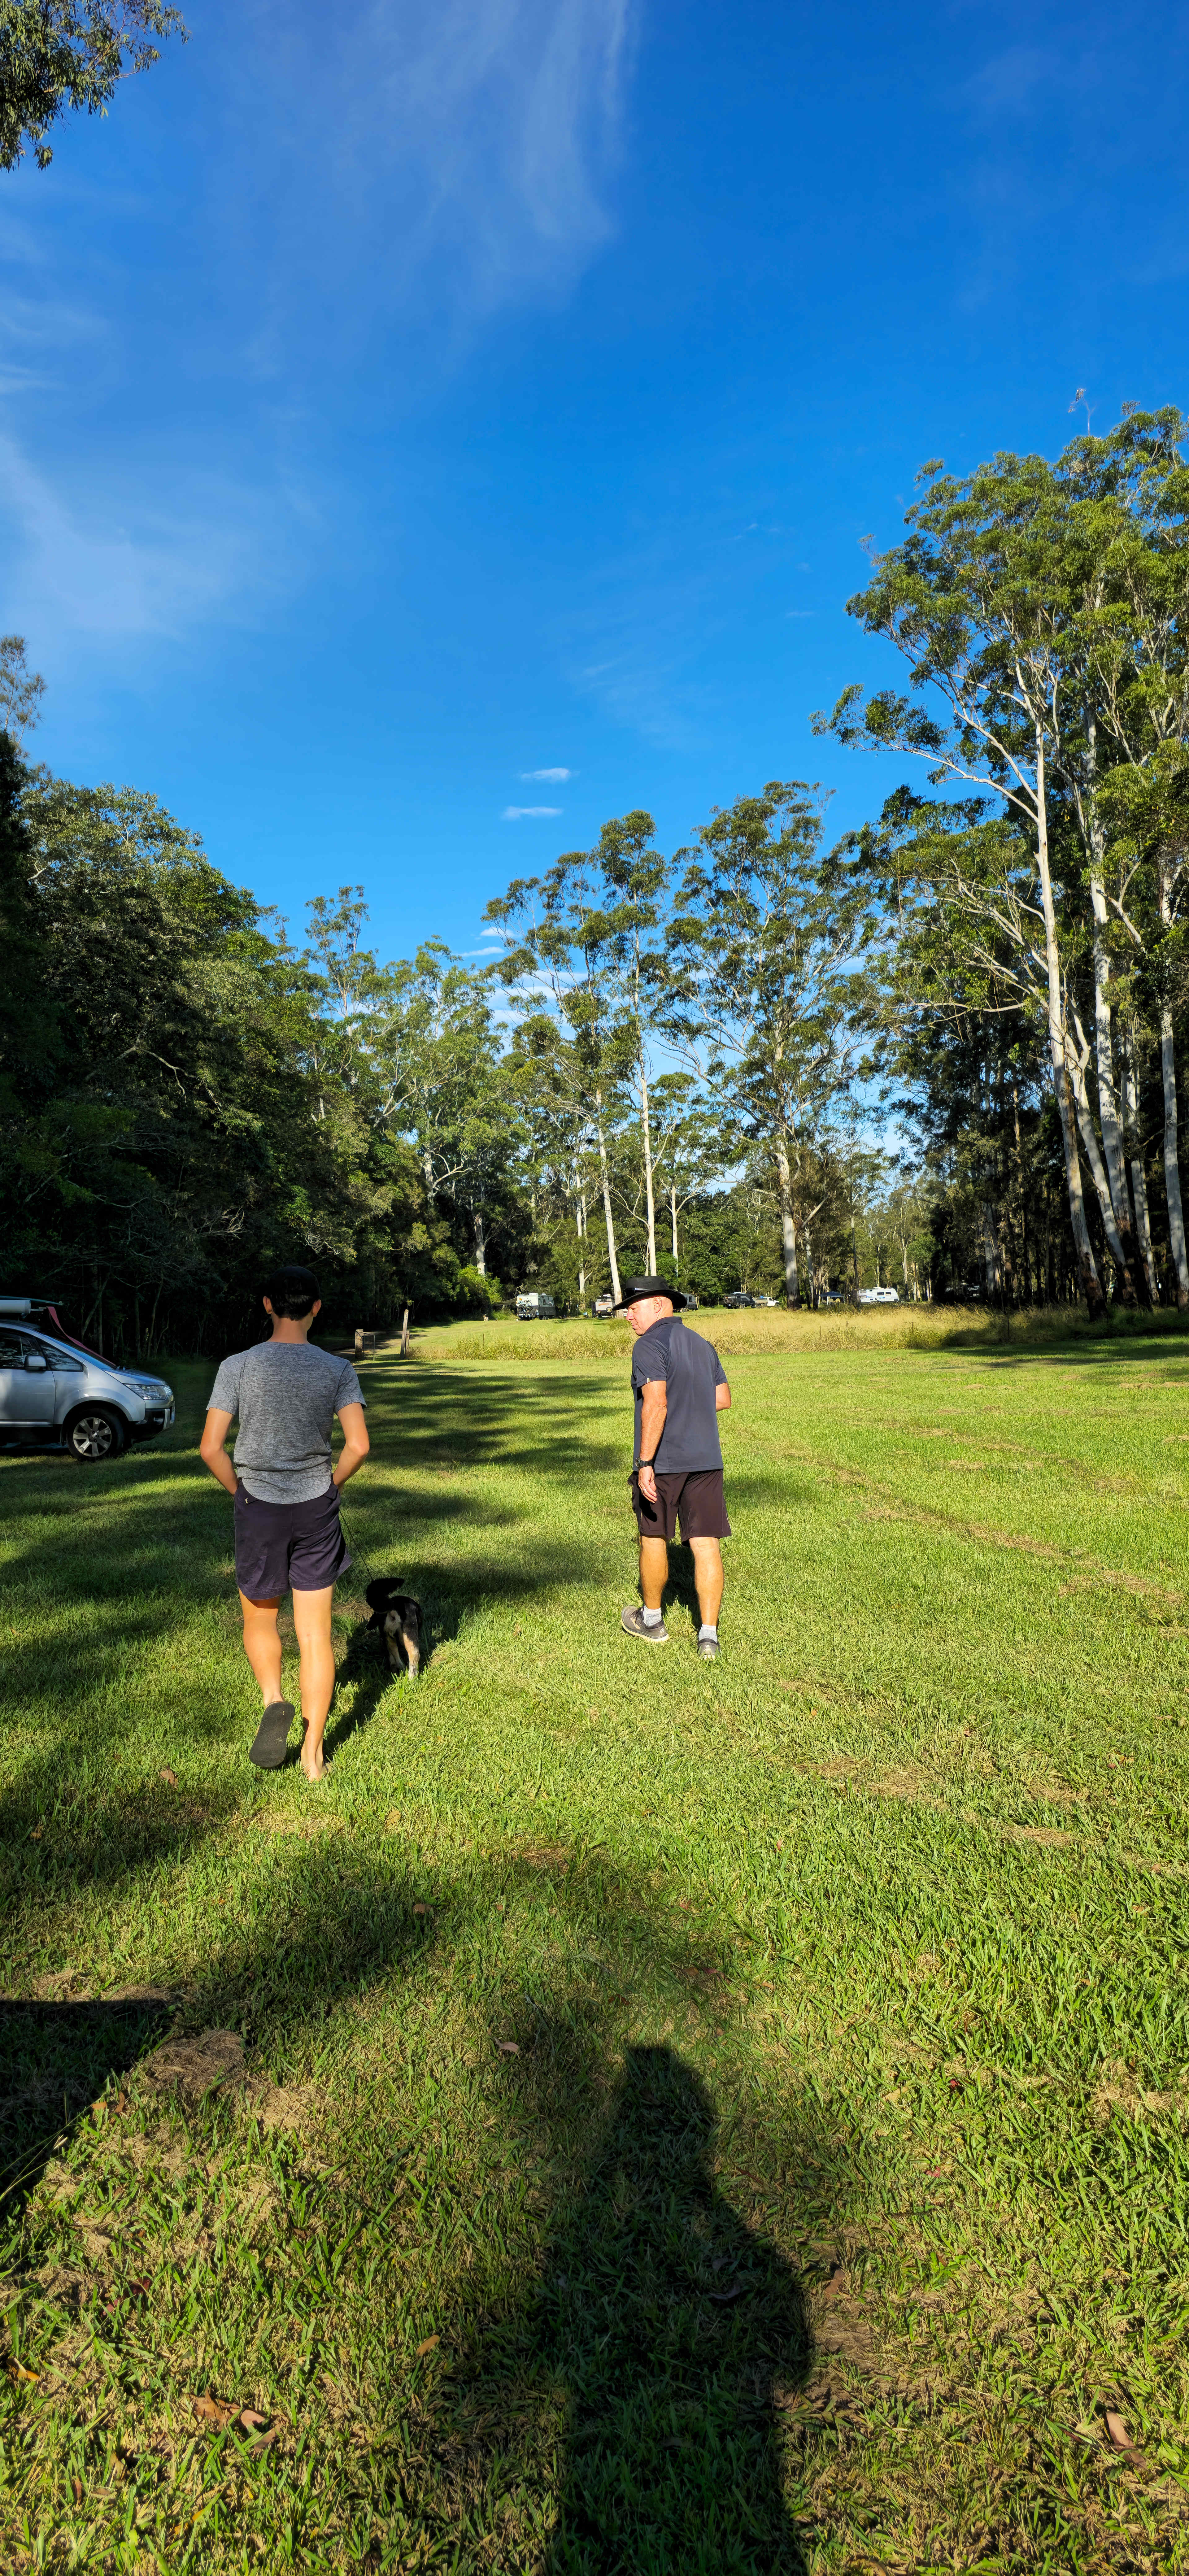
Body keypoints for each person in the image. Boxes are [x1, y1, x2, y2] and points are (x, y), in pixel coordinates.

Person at [199, 1264, 369, 1780]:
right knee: (316, 1634)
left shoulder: (237, 1366)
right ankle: (315, 1754)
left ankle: (274, 1698)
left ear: (268, 1305)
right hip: (316, 1506)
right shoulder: (338, 1370)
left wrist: (242, 1492)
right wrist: (332, 1486)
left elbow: (211, 1448)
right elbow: (359, 1446)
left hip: (260, 1508)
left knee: (260, 1618)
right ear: (317, 1308)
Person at [616, 1275, 731, 1661]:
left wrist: (645, 1462)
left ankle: (651, 1620)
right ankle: (709, 1637)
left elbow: (657, 1404)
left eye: (633, 1308)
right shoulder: (703, 1344)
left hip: (664, 1462)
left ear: (660, 1305)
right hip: (706, 1460)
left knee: (653, 1536)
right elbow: (722, 1399)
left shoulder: (649, 1345)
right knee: (706, 1543)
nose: (629, 1317)